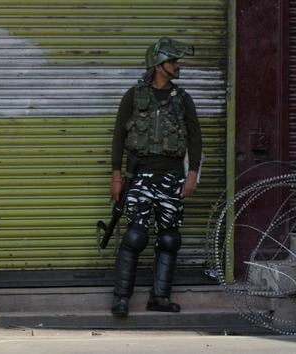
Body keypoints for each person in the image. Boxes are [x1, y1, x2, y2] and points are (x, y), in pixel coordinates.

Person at [109, 37, 202, 317]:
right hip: (140, 176)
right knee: (135, 236)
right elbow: (118, 136)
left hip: (173, 176)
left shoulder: (183, 99)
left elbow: (196, 139)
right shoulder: (134, 96)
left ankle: (159, 297)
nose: (177, 65)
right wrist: (116, 175)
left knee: (170, 238)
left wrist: (192, 174)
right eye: (173, 61)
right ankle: (122, 298)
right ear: (160, 65)